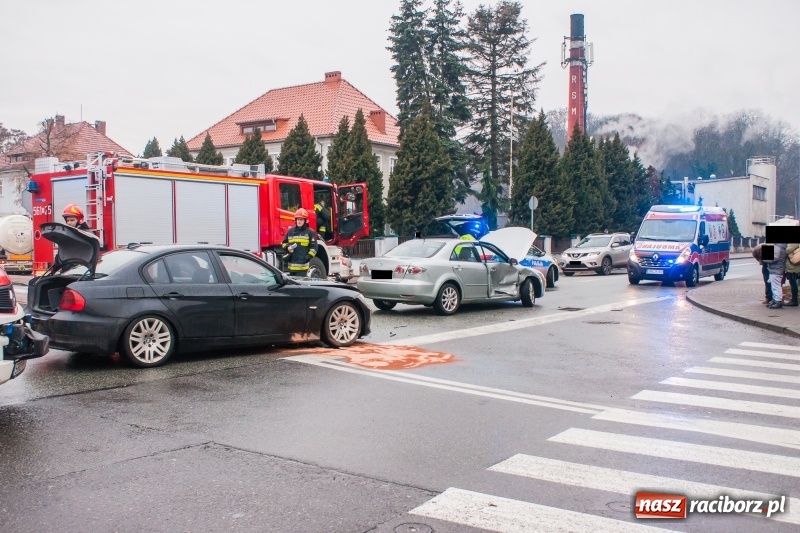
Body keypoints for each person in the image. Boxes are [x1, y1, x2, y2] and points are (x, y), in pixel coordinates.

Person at [281, 208, 318, 276]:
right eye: (298, 219)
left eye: (301, 219)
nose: (299, 221)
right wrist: (287, 247)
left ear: (305, 220)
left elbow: (314, 248)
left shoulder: (310, 232)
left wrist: (308, 257)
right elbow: (283, 243)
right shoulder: (290, 231)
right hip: (291, 267)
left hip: (303, 267)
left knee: (301, 286)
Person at [764, 243, 787, 309]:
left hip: (776, 269)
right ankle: (775, 300)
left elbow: (774, 258)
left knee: (776, 286)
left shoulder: (777, 247)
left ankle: (778, 301)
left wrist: (765, 258)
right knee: (775, 286)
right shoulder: (781, 246)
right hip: (776, 269)